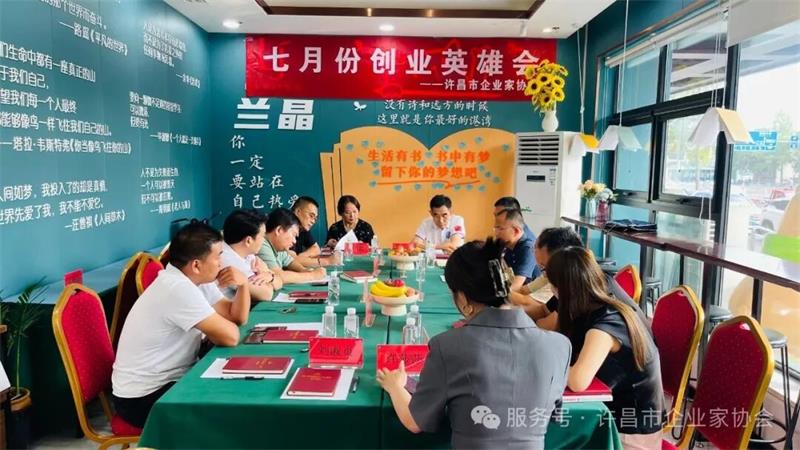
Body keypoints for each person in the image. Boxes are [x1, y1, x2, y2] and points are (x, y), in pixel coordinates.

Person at [377, 239, 571, 449]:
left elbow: (415, 422)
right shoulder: (560, 346)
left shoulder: (447, 346)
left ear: (462, 298)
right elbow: (552, 413)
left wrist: (395, 386)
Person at [112, 222, 246, 428]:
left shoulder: (193, 278)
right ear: (196, 265)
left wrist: (244, 284)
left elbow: (234, 316)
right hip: (143, 398)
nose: (221, 263)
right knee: (230, 407)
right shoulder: (177, 288)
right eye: (218, 256)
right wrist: (221, 328)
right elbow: (231, 336)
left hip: (169, 380)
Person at [546, 246, 665, 449]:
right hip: (617, 416)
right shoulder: (593, 308)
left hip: (631, 434)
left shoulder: (607, 324)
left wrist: (544, 362)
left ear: (562, 289)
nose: (552, 292)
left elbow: (577, 381)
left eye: (552, 285)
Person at [512, 227, 631, 331]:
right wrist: (509, 311)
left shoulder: (581, 288)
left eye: (545, 268)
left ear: (566, 260)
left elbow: (548, 326)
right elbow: (543, 310)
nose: (546, 275)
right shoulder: (572, 280)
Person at [219, 209, 283, 301]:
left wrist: (270, 277)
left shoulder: (247, 254)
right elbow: (266, 294)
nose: (264, 241)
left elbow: (279, 281)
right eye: (262, 236)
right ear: (248, 241)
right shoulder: (227, 259)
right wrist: (265, 273)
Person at [257, 207, 327, 284]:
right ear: (279, 230)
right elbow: (278, 276)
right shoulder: (261, 244)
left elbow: (291, 262)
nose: (294, 241)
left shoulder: (278, 247)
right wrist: (313, 275)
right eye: (293, 235)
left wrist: (305, 270)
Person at [493, 208, 540, 294]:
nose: (496, 233)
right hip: (517, 293)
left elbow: (516, 287)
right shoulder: (506, 245)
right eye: (495, 228)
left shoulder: (528, 249)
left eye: (500, 229)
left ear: (516, 231)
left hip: (530, 295)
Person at [289, 196, 332, 267]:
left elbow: (316, 249)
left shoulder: (303, 227)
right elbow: (290, 261)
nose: (313, 221)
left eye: (315, 218)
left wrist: (299, 257)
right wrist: (327, 261)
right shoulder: (285, 226)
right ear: (298, 212)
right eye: (311, 216)